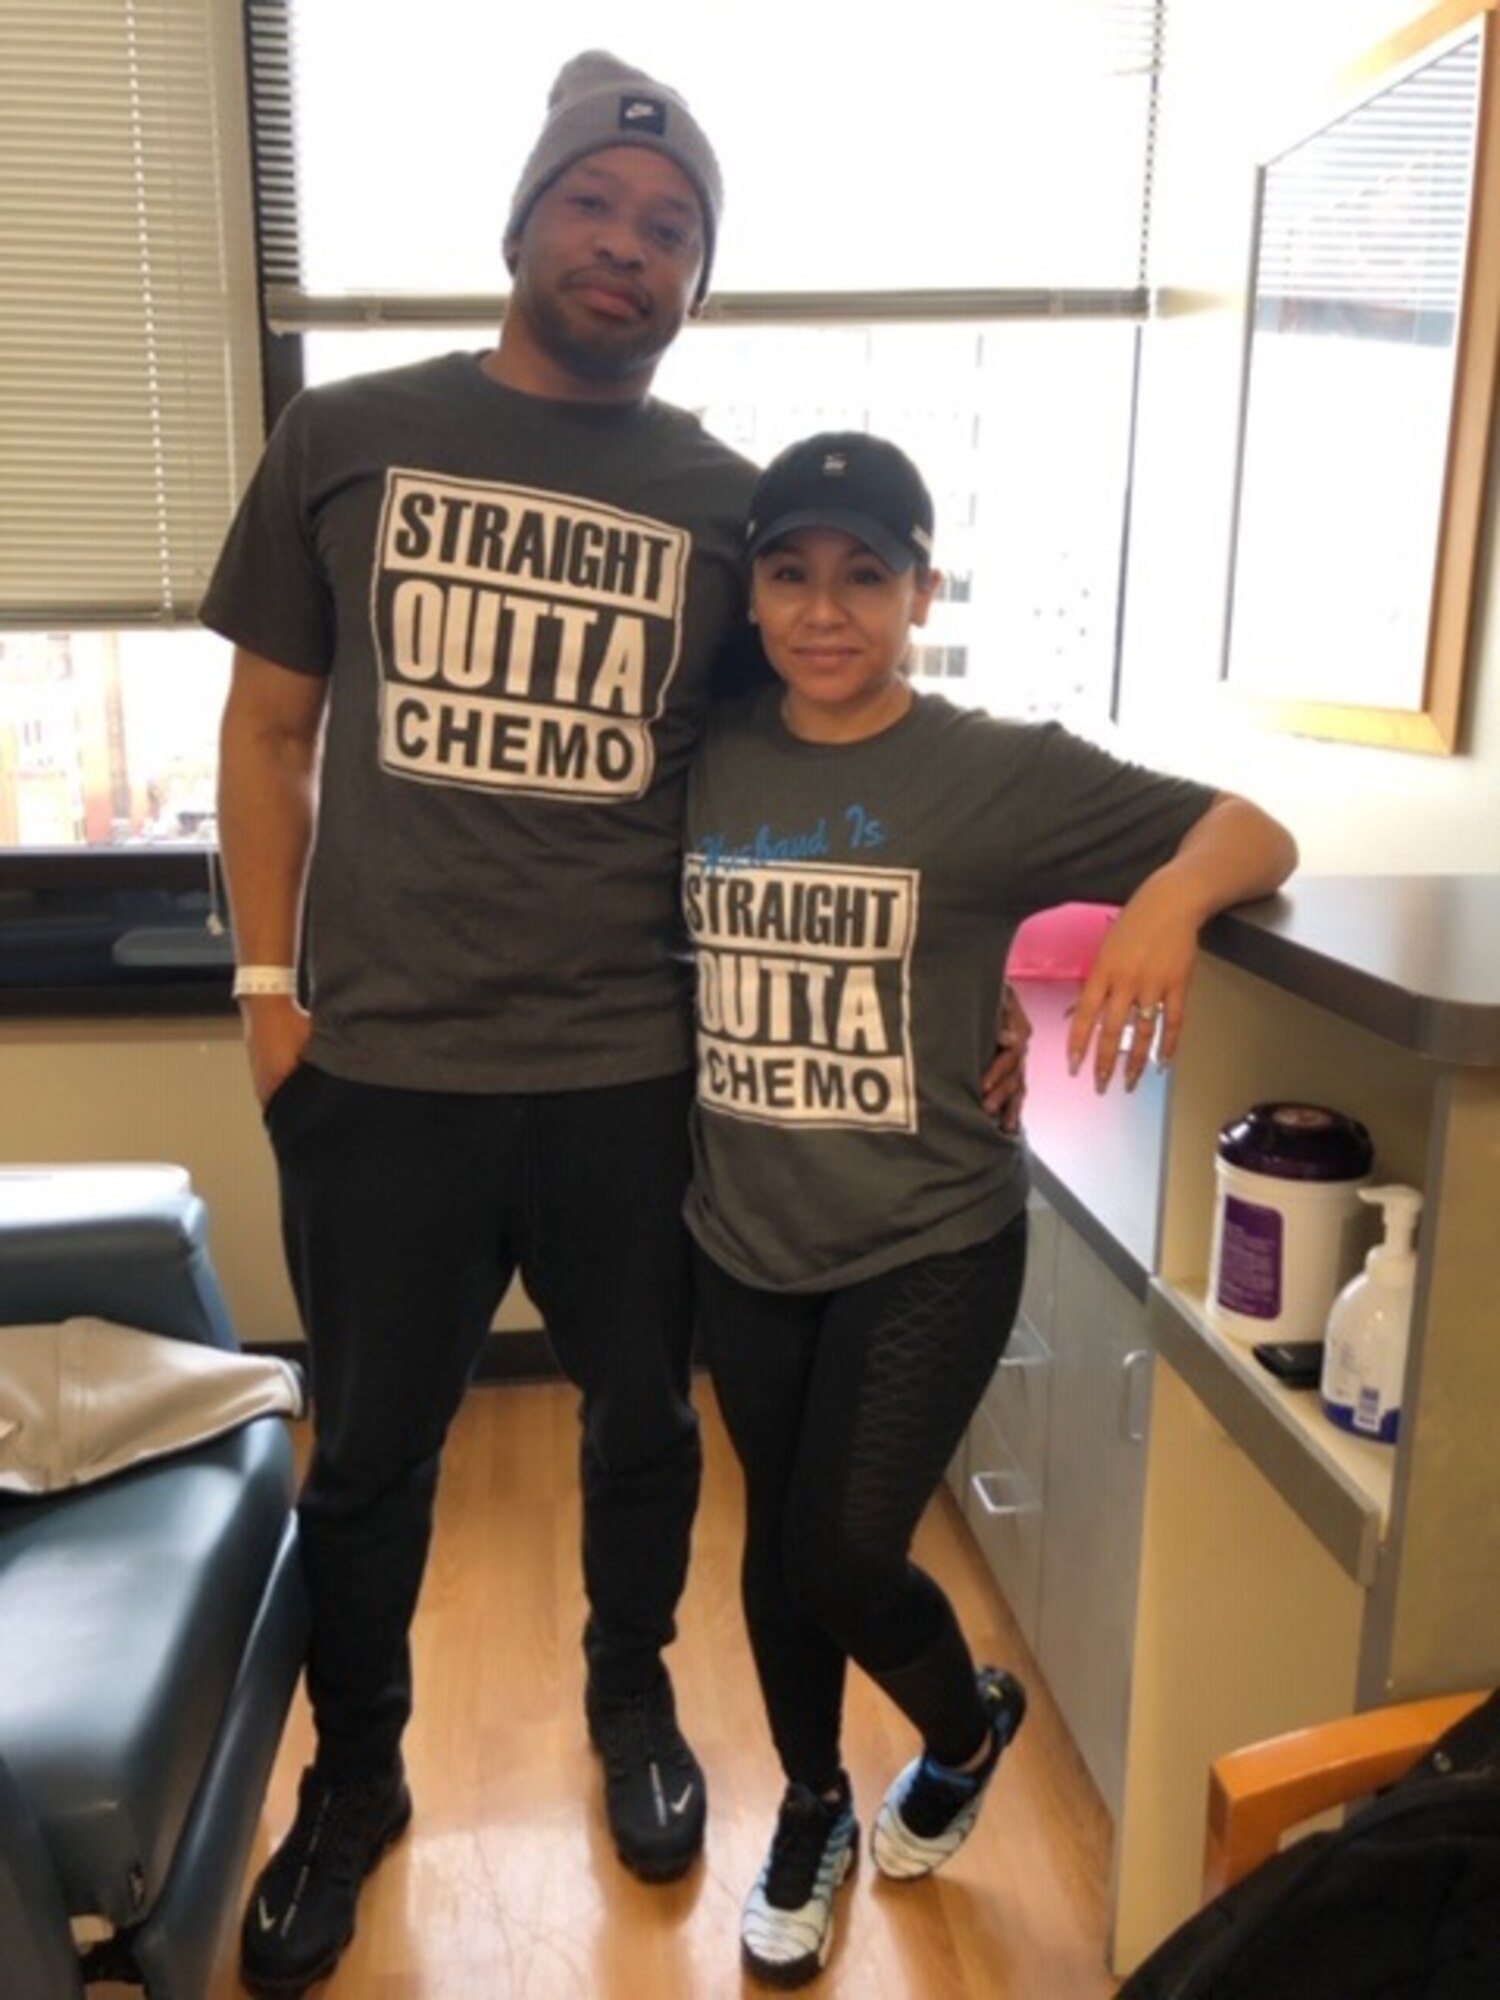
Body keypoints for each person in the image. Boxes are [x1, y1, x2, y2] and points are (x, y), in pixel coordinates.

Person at [203, 50, 1031, 2000]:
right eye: (599, 205)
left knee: (648, 1429)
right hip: (383, 1072)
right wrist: (265, 995)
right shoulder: (347, 435)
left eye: (671, 231)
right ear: (526, 219)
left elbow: (851, 750)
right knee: (372, 1458)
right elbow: (265, 728)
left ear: (694, 282)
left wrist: (973, 981)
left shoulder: (730, 511)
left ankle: (634, 1710)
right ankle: (357, 1783)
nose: (629, 245)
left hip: (633, 1076)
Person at [682, 431, 1299, 1987]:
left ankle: (964, 1733)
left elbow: (1253, 830)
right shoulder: (710, 747)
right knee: (779, 1551)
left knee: (838, 1551)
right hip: (743, 1235)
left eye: (866, 576)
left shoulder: (989, 768)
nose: (828, 610)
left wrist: (1160, 902)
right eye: (792, 573)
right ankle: (814, 1805)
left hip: (930, 1238)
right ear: (751, 595)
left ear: (920, 593)